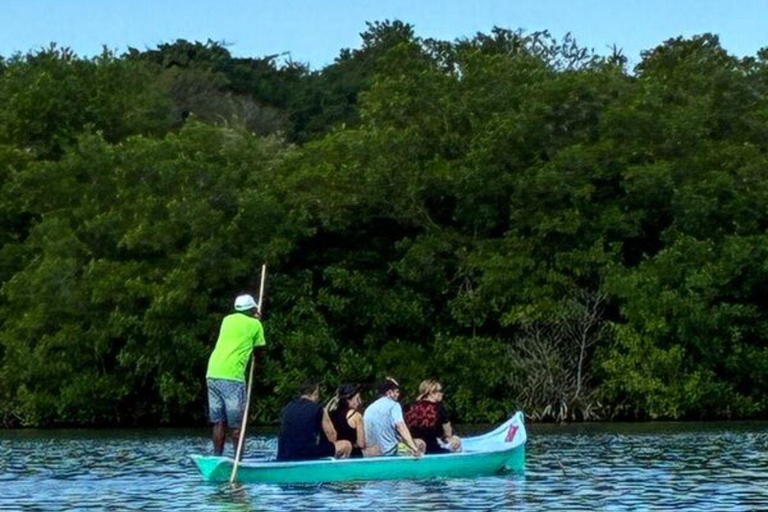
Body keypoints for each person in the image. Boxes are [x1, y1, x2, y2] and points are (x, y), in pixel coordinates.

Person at [206, 294, 266, 456]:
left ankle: (217, 456)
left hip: (212, 373)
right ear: (252, 309)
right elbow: (259, 352)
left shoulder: (226, 320)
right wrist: (257, 321)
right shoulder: (255, 324)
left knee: (218, 421)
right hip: (232, 377)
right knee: (237, 424)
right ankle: (238, 459)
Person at [277, 381, 353, 461]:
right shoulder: (319, 409)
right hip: (307, 454)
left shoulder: (286, 408)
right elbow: (332, 436)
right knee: (346, 445)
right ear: (315, 392)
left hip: (284, 454)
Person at [363, 377, 425, 457]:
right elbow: (401, 427)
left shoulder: (369, 408)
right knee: (420, 443)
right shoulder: (394, 405)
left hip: (372, 451)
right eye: (397, 392)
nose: (398, 395)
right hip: (390, 451)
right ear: (389, 392)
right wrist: (414, 448)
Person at [404, 379, 462, 454]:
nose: (442, 394)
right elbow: (448, 434)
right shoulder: (439, 408)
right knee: (456, 441)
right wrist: (453, 438)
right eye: (440, 391)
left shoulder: (408, 407)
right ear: (431, 393)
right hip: (432, 447)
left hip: (413, 445)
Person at [326, 384, 381, 458]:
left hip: (337, 451)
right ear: (349, 400)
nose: (359, 402)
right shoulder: (356, 416)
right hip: (352, 452)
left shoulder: (331, 413)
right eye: (357, 398)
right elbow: (361, 444)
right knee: (377, 450)